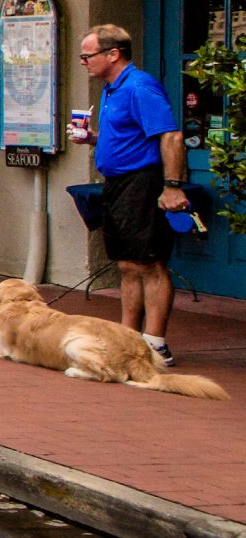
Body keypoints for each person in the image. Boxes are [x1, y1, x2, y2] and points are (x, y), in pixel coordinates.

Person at [82, 23, 190, 364]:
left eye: (88, 55)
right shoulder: (111, 89)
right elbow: (130, 136)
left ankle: (156, 342)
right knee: (127, 263)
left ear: (113, 54)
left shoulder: (141, 86)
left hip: (142, 182)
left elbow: (170, 136)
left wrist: (172, 187)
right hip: (116, 184)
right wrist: (94, 138)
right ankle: (128, 339)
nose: (84, 62)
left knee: (149, 262)